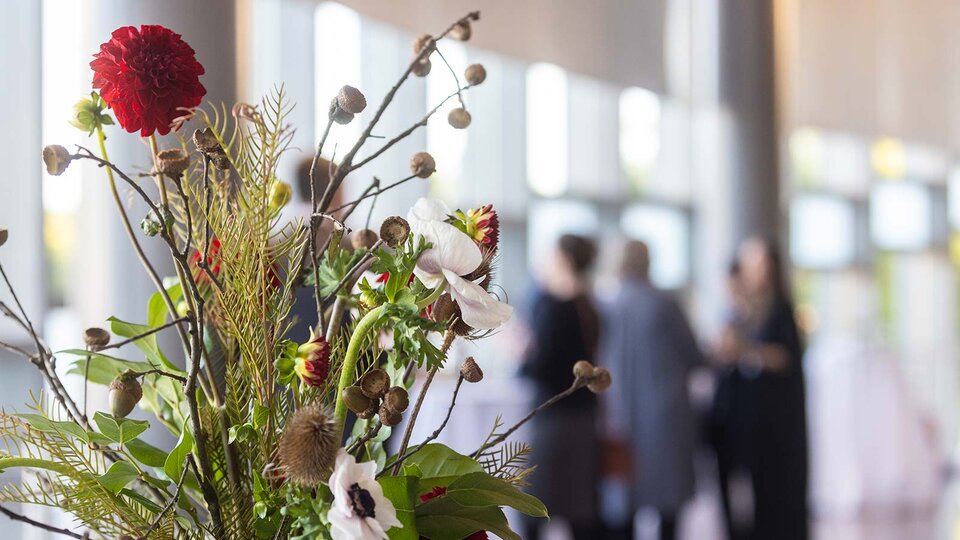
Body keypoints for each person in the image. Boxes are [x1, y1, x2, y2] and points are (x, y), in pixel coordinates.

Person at [600, 240, 703, 540]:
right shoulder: (666, 303)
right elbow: (693, 355)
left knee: (625, 501)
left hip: (620, 411)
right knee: (668, 505)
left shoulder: (607, 304)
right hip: (665, 414)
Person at [713, 237, 809, 540]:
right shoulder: (744, 311)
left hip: (777, 423)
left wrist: (747, 351)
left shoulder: (780, 310)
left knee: (777, 495)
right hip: (749, 423)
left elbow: (785, 357)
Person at [520, 234, 601, 540]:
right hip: (583, 416)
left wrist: (521, 354)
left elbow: (543, 366)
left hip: (556, 418)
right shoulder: (588, 304)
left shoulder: (555, 306)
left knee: (535, 506)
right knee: (578, 508)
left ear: (564, 260)